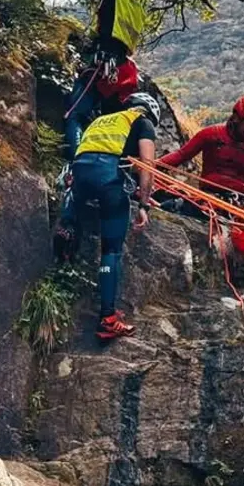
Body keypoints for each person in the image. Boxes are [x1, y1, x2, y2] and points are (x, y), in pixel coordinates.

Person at [158, 96, 244, 303]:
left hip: (239, 202)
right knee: (177, 207)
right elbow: (181, 155)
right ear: (235, 117)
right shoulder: (210, 135)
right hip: (209, 197)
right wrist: (154, 165)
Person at [59, 92, 158, 340]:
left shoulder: (103, 120)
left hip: (80, 173)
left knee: (73, 219)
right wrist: (144, 205)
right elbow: (147, 165)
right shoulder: (142, 122)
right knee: (111, 249)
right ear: (147, 111)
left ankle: (65, 246)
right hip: (108, 177)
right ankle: (107, 318)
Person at [62, 0, 152, 161]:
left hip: (102, 62)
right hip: (121, 68)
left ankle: (77, 163)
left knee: (75, 115)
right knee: (107, 121)